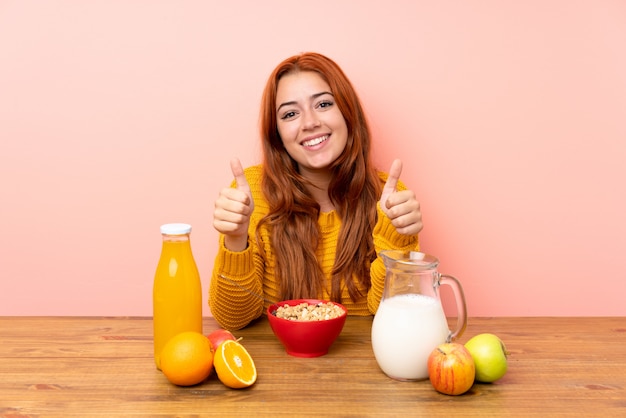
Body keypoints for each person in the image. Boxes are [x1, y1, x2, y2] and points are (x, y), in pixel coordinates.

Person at [209, 52, 422, 330]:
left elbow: (399, 319)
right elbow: (232, 319)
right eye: (290, 114)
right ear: (277, 134)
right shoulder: (252, 194)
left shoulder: (389, 197)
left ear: (347, 113)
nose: (309, 122)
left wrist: (397, 240)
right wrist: (236, 240)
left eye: (323, 104)